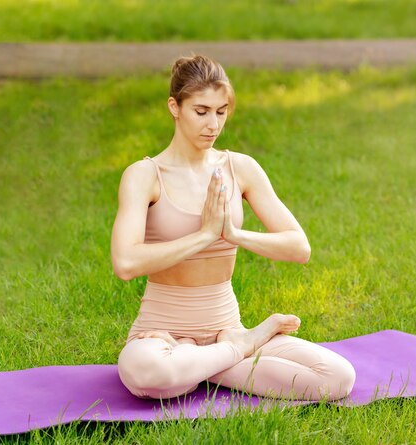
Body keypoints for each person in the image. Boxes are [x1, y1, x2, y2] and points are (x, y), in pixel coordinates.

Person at [111, 55, 355, 401]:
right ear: (174, 107)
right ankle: (238, 351)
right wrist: (204, 235)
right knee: (147, 373)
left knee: (338, 377)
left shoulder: (240, 167)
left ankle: (203, 364)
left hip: (227, 327)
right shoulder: (144, 175)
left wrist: (234, 235)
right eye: (201, 111)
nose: (213, 124)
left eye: (221, 112)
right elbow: (125, 263)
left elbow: (299, 247)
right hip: (160, 334)